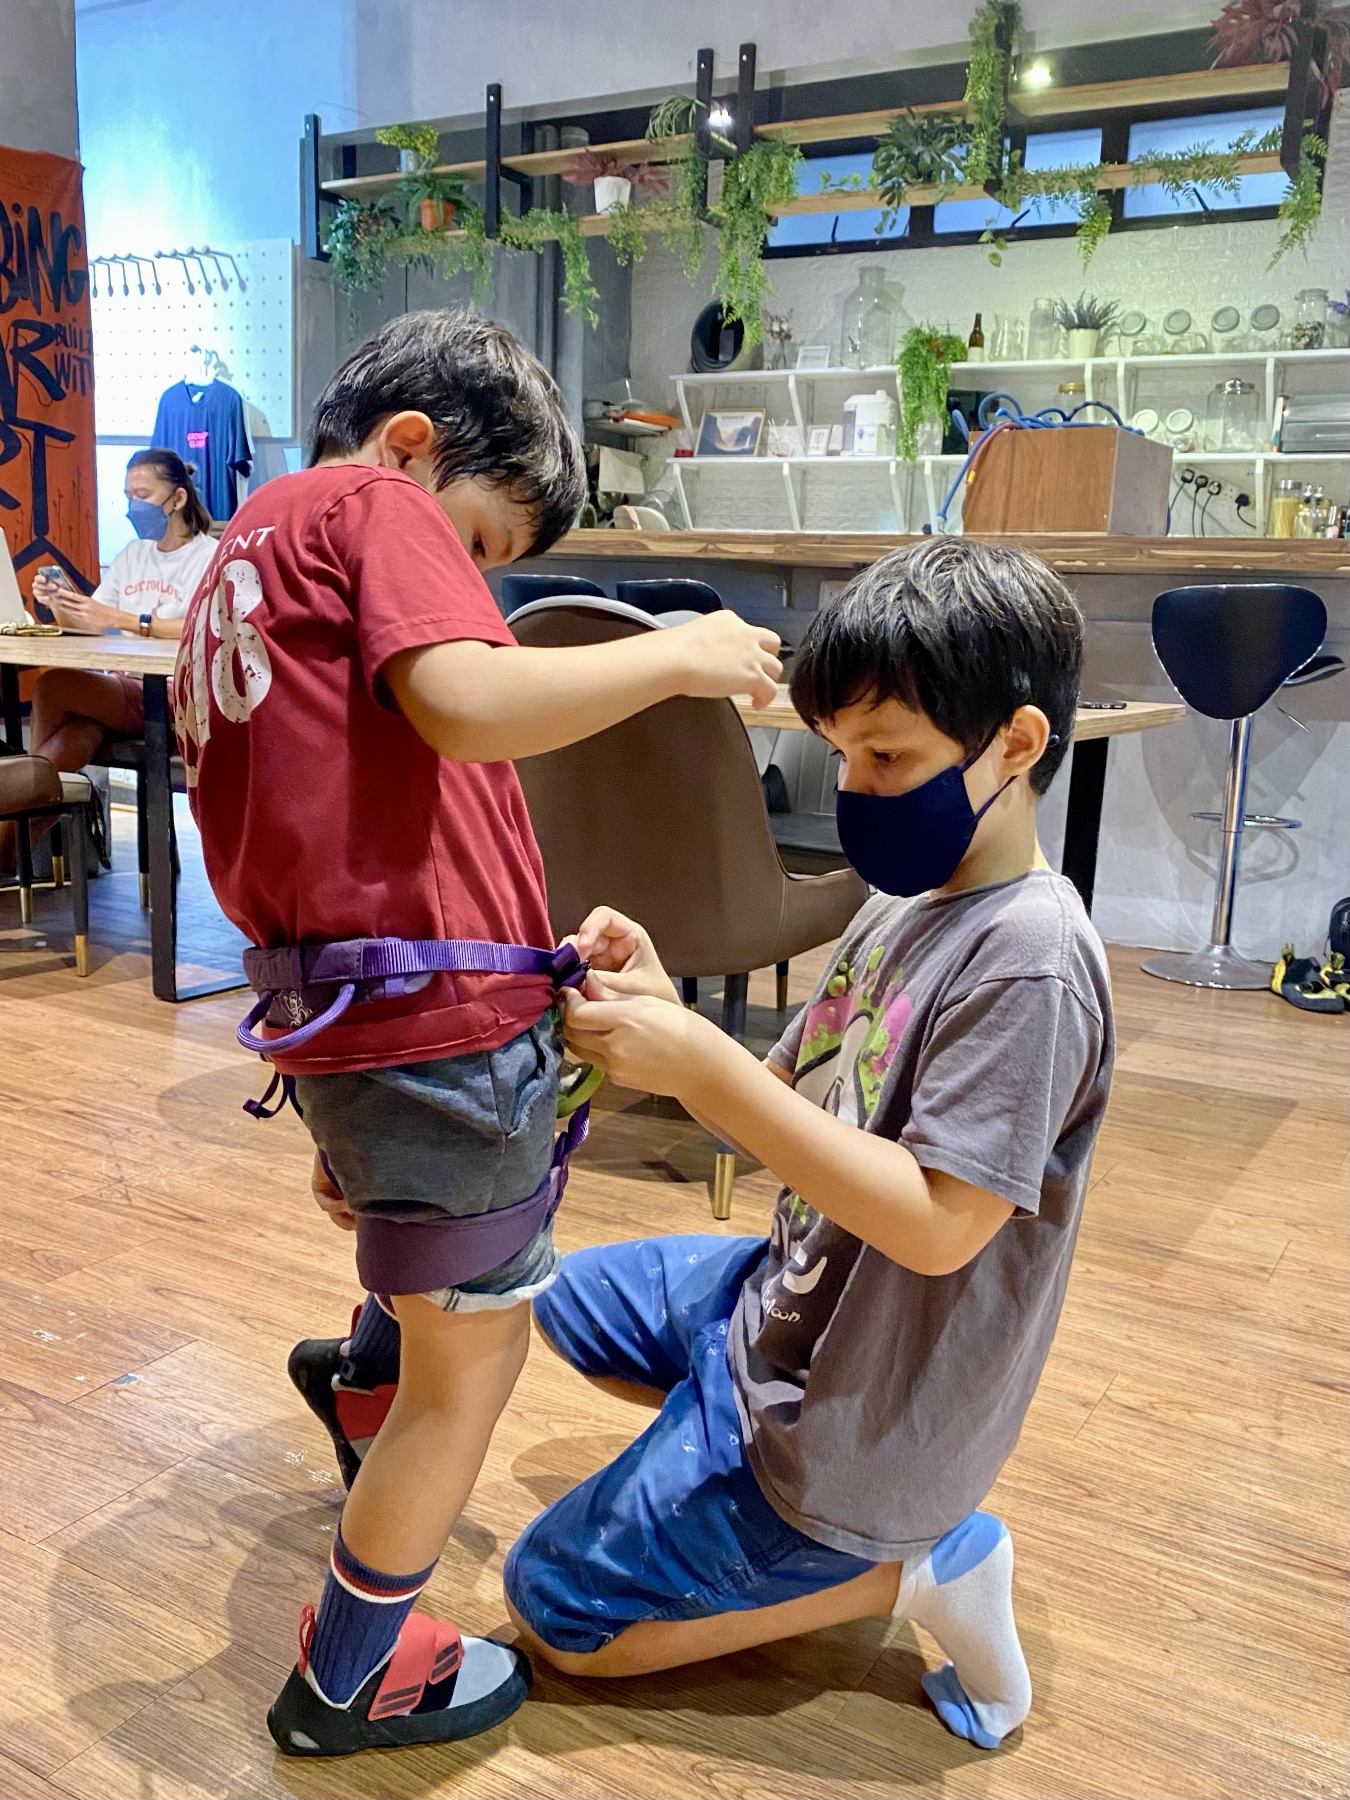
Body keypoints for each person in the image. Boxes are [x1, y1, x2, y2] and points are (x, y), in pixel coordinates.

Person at [303, 538, 1114, 1751]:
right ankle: (717, 1463)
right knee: (547, 1300)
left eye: (888, 757)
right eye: (841, 755)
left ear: (1018, 742)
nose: (857, 788)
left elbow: (942, 1226)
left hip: (868, 1409)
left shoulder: (1032, 963)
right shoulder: (912, 899)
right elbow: (790, 1090)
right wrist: (668, 1012)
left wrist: (701, 1063)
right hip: (792, 1294)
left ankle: (909, 1570)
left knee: (559, 1612)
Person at [174, 308, 783, 1760]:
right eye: (483, 550)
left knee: (437, 1270)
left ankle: (362, 1383)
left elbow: (386, 794)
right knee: (478, 1368)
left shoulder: (248, 549)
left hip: (357, 1003)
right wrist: (678, 652)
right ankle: (354, 1676)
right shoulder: (373, 503)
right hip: (427, 1022)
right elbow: (463, 703)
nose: (471, 591)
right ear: (410, 448)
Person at [29, 449, 216, 769]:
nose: (133, 507)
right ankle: (31, 799)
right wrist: (59, 602)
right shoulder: (132, 554)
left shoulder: (210, 556)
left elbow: (203, 628)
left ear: (178, 498)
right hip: (123, 683)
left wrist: (123, 619)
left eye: (143, 495)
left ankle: (26, 793)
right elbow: (92, 625)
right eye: (129, 497)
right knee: (79, 732)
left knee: (53, 686)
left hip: (176, 691)